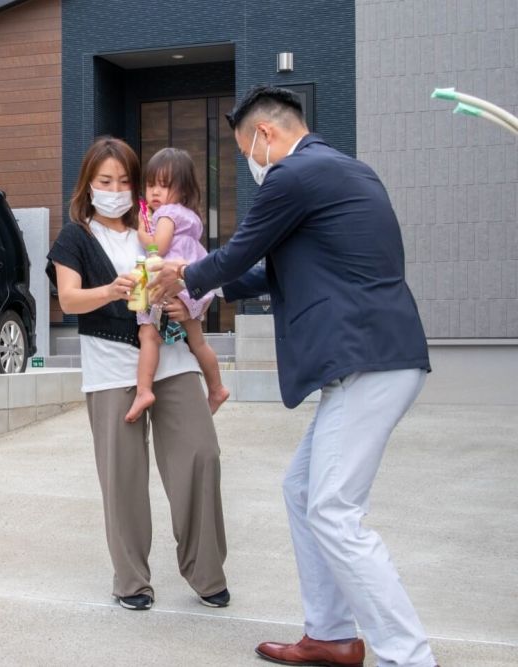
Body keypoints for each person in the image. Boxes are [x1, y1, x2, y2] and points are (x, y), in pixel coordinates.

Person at [150, 86, 438, 667]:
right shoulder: (346, 170)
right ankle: (331, 634)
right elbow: (268, 268)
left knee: (333, 509)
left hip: (369, 359)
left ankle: (408, 657)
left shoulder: (293, 175)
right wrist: (206, 283)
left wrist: (184, 276)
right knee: (303, 491)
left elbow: (238, 253)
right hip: (376, 355)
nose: (250, 166)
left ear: (265, 136)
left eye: (244, 151)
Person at [46, 136, 230, 612]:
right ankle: (131, 580)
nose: (117, 189)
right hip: (110, 366)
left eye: (126, 180)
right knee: (123, 478)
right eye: (105, 181)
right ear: (88, 184)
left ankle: (207, 572)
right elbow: (68, 299)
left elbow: (194, 269)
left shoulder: (154, 227)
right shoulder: (75, 236)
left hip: (172, 357)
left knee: (200, 455)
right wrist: (110, 289)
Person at [126, 147, 230, 423]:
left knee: (148, 335)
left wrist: (140, 231)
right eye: (150, 185)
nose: (155, 193)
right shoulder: (191, 216)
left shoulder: (167, 214)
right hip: (190, 289)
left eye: (164, 185)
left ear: (182, 190)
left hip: (168, 285)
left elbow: (157, 247)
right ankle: (217, 388)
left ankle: (144, 390)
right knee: (198, 341)